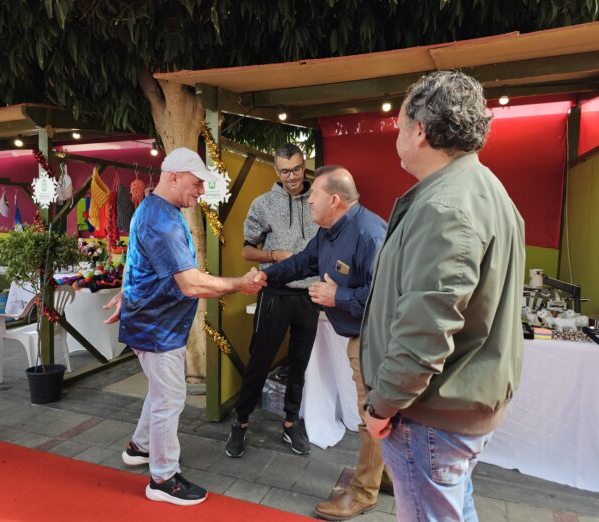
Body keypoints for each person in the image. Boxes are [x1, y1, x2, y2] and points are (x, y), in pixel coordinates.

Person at [360, 70, 525, 521]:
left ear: (419, 130)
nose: (396, 135)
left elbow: (426, 330)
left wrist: (381, 405)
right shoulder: (483, 188)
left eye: (399, 125)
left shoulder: (444, 206)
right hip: (449, 407)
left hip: (428, 413)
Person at [103, 148, 265, 506]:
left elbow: (136, 260)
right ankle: (163, 478)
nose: (201, 191)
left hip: (154, 321)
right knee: (170, 399)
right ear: (173, 177)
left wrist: (126, 293)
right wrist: (240, 283)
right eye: (196, 183)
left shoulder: (154, 208)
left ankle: (139, 447)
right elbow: (190, 284)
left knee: (161, 393)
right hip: (156, 326)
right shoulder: (160, 218)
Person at [251, 166, 393, 520]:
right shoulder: (328, 231)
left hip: (376, 337)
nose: (308, 200)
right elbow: (303, 262)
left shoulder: (370, 234)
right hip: (359, 334)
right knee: (376, 413)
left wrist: (337, 296)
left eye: (313, 195)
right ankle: (387, 474)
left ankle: (363, 493)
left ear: (335, 199)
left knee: (371, 415)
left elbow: (386, 296)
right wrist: (264, 277)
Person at [225, 143, 320, 458]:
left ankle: (291, 423)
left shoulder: (318, 198)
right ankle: (241, 421)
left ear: (304, 166)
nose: (292, 176)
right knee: (259, 360)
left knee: (299, 362)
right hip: (275, 291)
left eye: (297, 169)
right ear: (276, 171)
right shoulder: (263, 204)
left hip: (309, 294)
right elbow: (246, 251)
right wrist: (274, 255)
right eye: (285, 171)